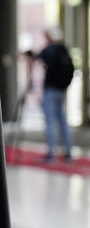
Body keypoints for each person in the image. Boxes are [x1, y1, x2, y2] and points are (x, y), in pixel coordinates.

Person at [26, 29, 75, 163]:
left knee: (50, 121)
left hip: (51, 90)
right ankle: (68, 152)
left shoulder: (49, 50)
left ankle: (50, 154)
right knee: (62, 120)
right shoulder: (64, 50)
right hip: (62, 91)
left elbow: (35, 59)